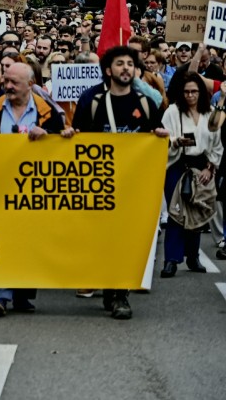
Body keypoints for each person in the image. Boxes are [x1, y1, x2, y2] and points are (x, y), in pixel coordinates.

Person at [72, 46, 168, 320]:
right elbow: (78, 140)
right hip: (99, 186)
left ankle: (120, 294)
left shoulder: (146, 103)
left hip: (132, 186)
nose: (126, 68)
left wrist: (160, 136)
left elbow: (155, 139)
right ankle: (109, 285)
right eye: (119, 63)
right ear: (108, 70)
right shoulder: (91, 101)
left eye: (130, 63)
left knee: (126, 239)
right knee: (103, 239)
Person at [0, 62, 71, 316]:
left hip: (34, 189)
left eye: (13, 83)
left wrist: (50, 134)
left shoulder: (47, 111)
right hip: (0, 187)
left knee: (29, 241)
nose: (7, 87)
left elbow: (64, 140)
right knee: (4, 240)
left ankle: (23, 295)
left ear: (30, 85)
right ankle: (2, 295)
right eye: (6, 81)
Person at [159, 72, 221, 277]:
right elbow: (162, 139)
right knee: (176, 213)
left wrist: (210, 167)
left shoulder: (210, 112)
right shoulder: (172, 112)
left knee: (197, 211)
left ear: (201, 92)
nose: (190, 95)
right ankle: (171, 260)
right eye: (186, 92)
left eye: (194, 91)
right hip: (177, 164)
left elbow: (217, 144)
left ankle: (193, 257)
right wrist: (175, 141)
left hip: (201, 166)